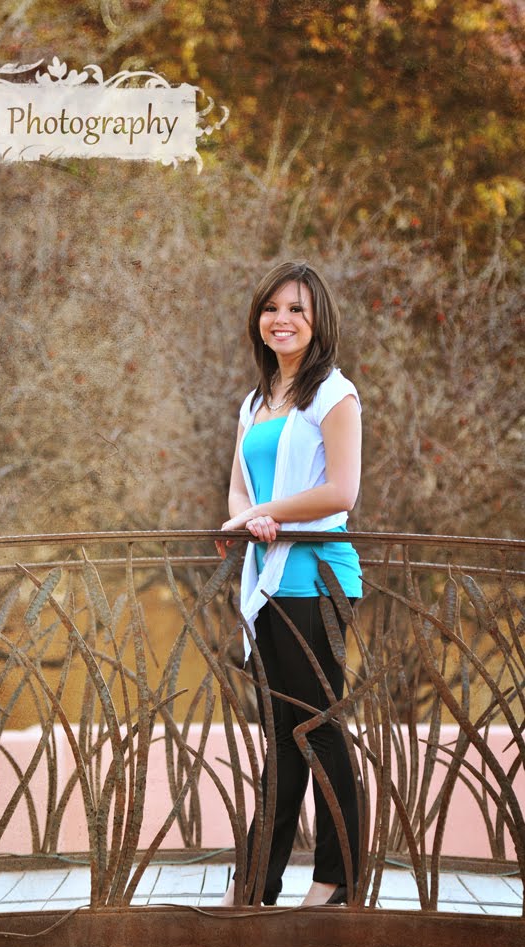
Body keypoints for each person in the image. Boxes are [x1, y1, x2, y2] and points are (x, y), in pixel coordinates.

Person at [216, 260, 362, 907]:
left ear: (317, 320)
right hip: (267, 583)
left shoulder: (334, 395)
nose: (282, 319)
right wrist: (246, 517)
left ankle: (336, 879)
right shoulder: (254, 403)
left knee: (318, 729)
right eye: (272, 308)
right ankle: (257, 884)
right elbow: (239, 488)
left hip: (318, 580)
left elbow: (341, 491)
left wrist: (267, 513)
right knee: (281, 738)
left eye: (297, 309)